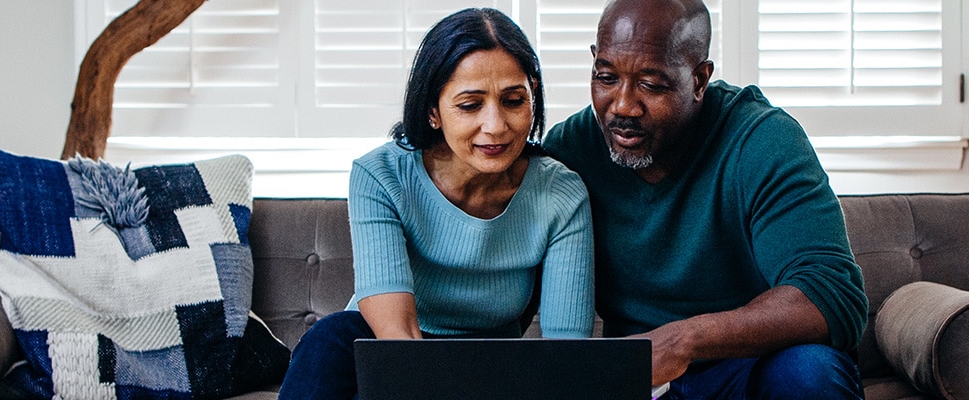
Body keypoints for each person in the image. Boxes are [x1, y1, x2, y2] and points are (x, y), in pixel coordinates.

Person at [541, 0, 869, 398]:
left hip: (749, 371)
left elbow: (832, 293)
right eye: (606, 77)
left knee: (809, 372)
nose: (623, 105)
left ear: (699, 80)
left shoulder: (762, 140)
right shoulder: (570, 149)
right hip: (637, 382)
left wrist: (684, 339)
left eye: (651, 84)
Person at [277, 8, 596, 399]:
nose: (496, 125)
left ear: (532, 95)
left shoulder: (561, 195)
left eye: (514, 101)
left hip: (491, 364)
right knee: (332, 337)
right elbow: (397, 337)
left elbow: (568, 354)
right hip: (391, 350)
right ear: (433, 111)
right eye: (470, 105)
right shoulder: (381, 175)